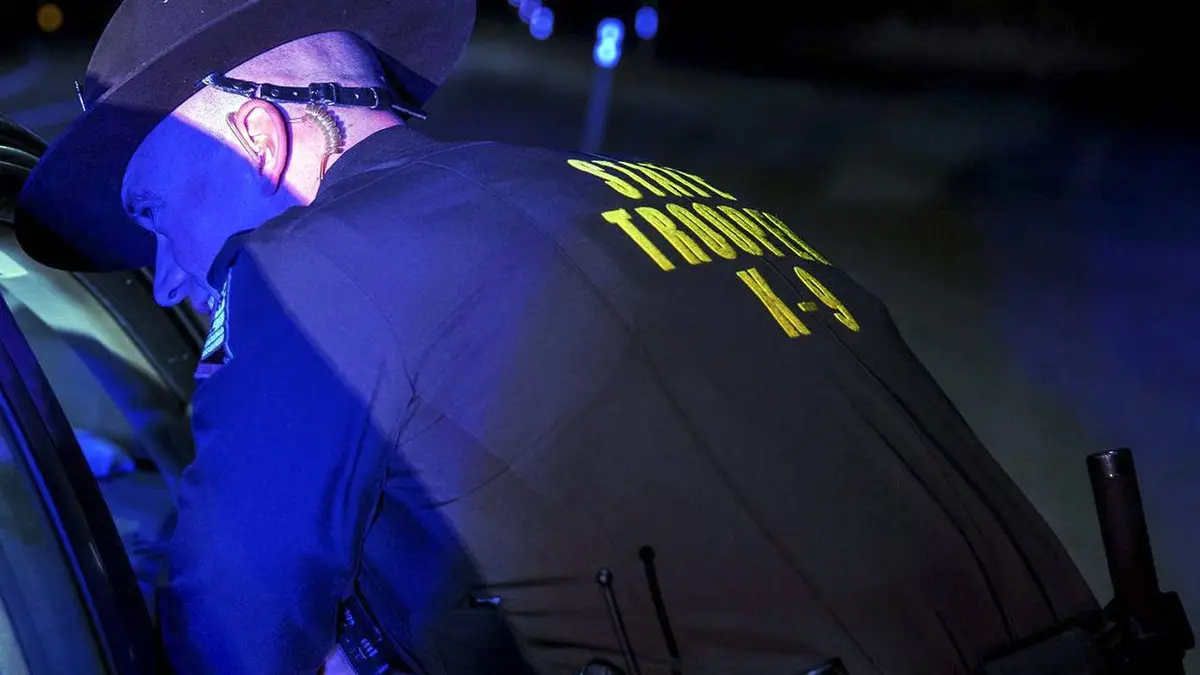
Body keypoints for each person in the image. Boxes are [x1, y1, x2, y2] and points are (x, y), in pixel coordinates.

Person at [14, 0, 1100, 673]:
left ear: (257, 132)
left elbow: (227, 639)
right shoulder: (670, 193)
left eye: (155, 213)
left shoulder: (308, 269)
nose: (165, 274)